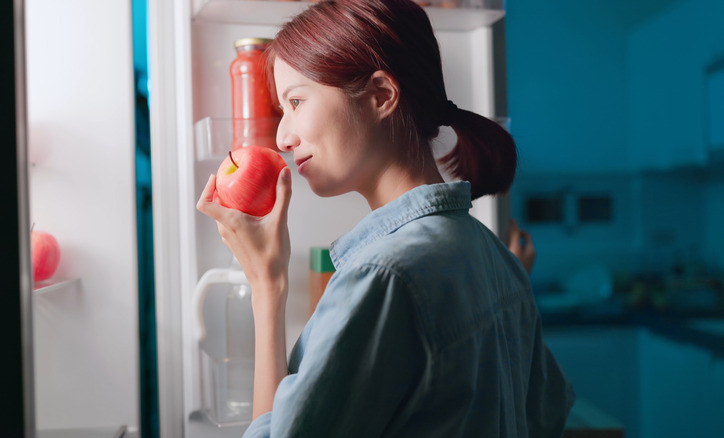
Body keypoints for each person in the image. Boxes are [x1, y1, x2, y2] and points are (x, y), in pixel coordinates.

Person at [197, 0, 574, 436]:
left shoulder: (384, 278)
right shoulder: (496, 257)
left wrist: (267, 285)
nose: (283, 137)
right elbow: (545, 418)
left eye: (297, 102)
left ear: (381, 96)